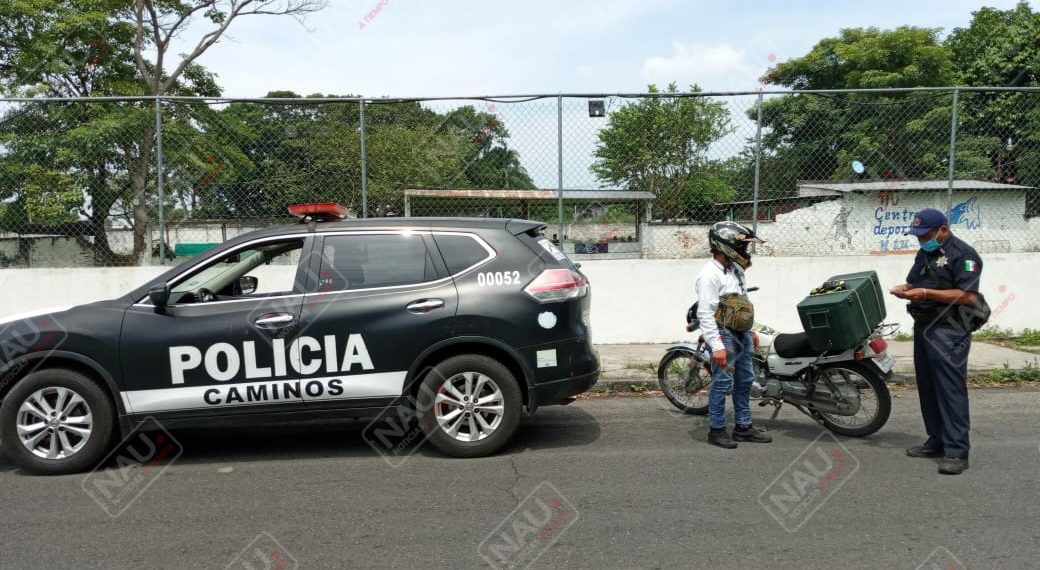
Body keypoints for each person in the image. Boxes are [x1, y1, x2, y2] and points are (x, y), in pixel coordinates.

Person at [889, 208, 983, 475]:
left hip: (950, 328)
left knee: (950, 388)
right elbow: (914, 281)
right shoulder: (926, 252)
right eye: (918, 236)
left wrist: (926, 292)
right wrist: (906, 289)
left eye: (926, 235)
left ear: (943, 229)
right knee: (928, 385)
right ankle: (937, 440)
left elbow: (967, 295)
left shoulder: (964, 255)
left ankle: (957, 451)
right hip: (925, 326)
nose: (921, 240)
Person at [696, 221, 771, 449]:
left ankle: (743, 427)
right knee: (722, 382)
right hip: (722, 333)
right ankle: (716, 430)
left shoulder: (735, 269)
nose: (746, 251)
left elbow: (741, 302)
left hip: (740, 332)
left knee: (745, 379)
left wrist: (750, 330)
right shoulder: (709, 275)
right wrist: (717, 346)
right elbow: (705, 314)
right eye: (743, 246)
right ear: (726, 245)